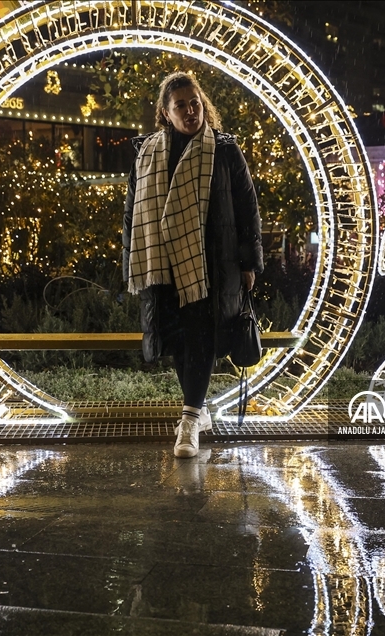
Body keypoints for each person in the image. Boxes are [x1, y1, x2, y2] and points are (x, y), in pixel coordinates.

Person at [123, 72, 263, 459]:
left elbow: (248, 208)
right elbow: (132, 214)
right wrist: (130, 265)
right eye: (180, 105)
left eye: (195, 102)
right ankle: (198, 411)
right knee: (181, 343)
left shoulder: (224, 150)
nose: (190, 110)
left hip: (211, 266)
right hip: (162, 264)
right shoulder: (147, 153)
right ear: (166, 113)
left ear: (204, 104)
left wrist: (249, 262)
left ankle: (188, 422)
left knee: (201, 336)